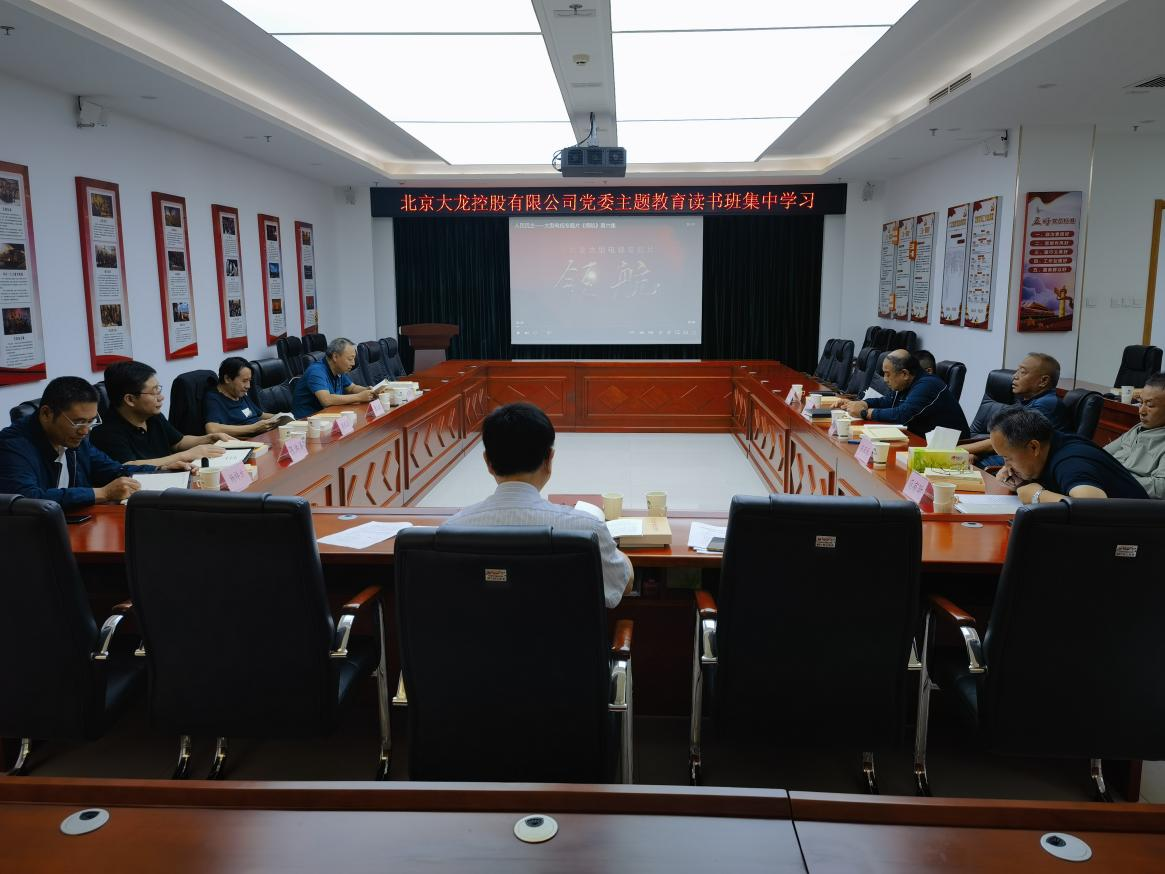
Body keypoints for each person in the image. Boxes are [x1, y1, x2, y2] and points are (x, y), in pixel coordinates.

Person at [443, 402, 633, 608]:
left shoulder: (452, 530)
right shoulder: (587, 529)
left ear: (488, 462)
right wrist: (619, 555)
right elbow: (623, 585)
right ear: (549, 460)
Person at [0, 376, 163, 508]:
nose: (85, 431)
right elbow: (29, 499)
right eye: (78, 422)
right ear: (46, 414)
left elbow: (114, 470)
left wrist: (161, 471)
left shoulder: (75, 438)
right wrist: (103, 493)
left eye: (90, 421)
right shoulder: (12, 446)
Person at [990, 407, 1148, 502]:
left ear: (1033, 447)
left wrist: (1037, 496)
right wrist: (1022, 481)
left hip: (1140, 539)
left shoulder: (1070, 463)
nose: (1006, 466)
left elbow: (1093, 508)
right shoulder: (1051, 444)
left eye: (1008, 458)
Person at [90, 360, 229, 465]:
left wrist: (209, 438)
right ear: (130, 399)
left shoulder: (152, 416)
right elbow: (129, 466)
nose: (161, 397)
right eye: (154, 392)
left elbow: (178, 442)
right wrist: (185, 456)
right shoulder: (106, 432)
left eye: (158, 389)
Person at [964, 352, 1069, 467]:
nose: (1014, 376)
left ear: (1043, 381)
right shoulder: (1028, 401)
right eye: (1017, 371)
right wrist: (975, 455)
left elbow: (1008, 440)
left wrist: (959, 449)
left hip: (1008, 470)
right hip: (998, 463)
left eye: (1023, 372)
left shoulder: (1046, 405)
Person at [843, 349, 970, 437]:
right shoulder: (907, 382)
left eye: (887, 374)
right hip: (919, 439)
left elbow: (902, 414)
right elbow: (887, 401)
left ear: (904, 373)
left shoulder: (928, 385)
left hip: (950, 447)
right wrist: (863, 403)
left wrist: (864, 413)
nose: (885, 379)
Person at [1104, 372, 1165, 498]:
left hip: (1126, 499)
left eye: (1150, 405)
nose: (1141, 411)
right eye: (1140, 402)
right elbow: (1102, 454)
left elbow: (1160, 487)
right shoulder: (1138, 428)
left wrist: (1114, 480)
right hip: (1102, 484)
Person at [292, 337, 375, 418]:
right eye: (350, 359)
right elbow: (326, 400)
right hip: (308, 420)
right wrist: (359, 397)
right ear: (335, 357)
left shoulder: (339, 369)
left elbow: (352, 388)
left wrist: (369, 390)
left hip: (329, 415)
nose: (353, 363)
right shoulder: (316, 371)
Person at [204, 356, 288, 437]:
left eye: (249, 381)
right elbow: (212, 429)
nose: (248, 386)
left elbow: (260, 415)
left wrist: (282, 418)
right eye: (244, 381)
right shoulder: (214, 398)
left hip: (262, 436)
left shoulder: (239, 393)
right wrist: (253, 428)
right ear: (227, 379)